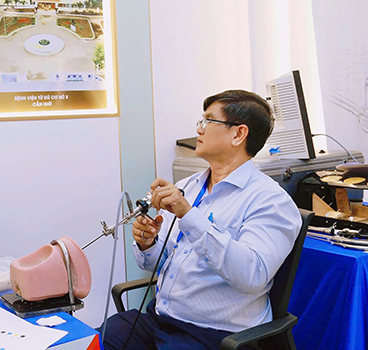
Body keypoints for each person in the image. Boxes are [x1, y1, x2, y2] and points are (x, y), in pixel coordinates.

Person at [102, 90, 302, 350]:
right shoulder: (189, 186)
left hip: (215, 335)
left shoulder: (271, 201)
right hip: (160, 320)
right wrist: (147, 243)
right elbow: (153, 264)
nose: (199, 129)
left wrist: (189, 215)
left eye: (208, 120)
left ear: (238, 134)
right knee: (90, 341)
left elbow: (251, 275)